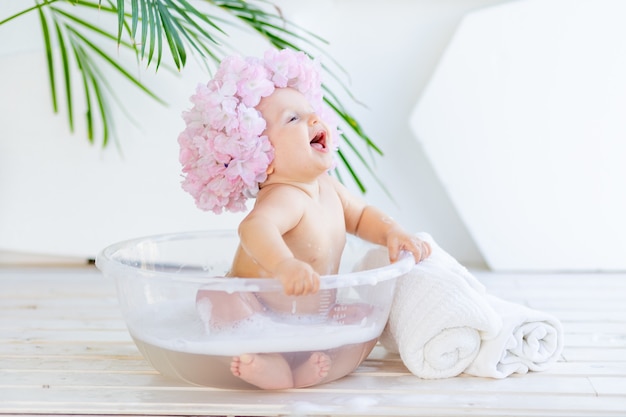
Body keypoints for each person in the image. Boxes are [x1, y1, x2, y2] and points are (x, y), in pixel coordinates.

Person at [178, 49, 431, 389]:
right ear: (260, 156)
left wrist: (392, 232)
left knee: (367, 317)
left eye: (311, 113)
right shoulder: (286, 196)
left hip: (316, 318)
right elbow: (255, 227)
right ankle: (270, 363)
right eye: (293, 119)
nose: (313, 120)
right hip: (257, 313)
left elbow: (361, 216)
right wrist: (284, 265)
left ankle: (316, 365)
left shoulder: (327, 187)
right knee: (217, 296)